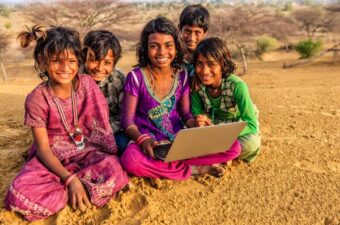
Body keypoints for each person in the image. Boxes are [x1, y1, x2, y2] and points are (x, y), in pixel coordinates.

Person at [5, 25, 128, 221]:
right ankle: (75, 186)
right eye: (56, 61)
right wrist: (70, 179)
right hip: (53, 155)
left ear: (78, 62)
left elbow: (100, 129)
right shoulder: (37, 99)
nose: (65, 68)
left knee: (114, 169)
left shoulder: (87, 84)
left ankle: (74, 185)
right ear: (42, 62)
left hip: (86, 150)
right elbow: (44, 150)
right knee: (18, 194)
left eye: (71, 61)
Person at [119, 17, 240, 180]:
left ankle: (172, 167)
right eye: (154, 46)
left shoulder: (182, 76)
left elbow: (185, 115)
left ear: (176, 47)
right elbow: (127, 121)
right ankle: (194, 169)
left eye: (168, 45)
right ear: (146, 49)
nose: (162, 52)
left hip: (178, 141)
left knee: (233, 146)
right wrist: (142, 140)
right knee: (130, 161)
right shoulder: (135, 77)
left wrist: (196, 124)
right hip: (150, 143)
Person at [191, 37, 261, 163]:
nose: (205, 71)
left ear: (222, 64)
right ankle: (225, 156)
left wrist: (223, 134)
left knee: (250, 144)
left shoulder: (237, 86)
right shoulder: (196, 86)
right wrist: (199, 120)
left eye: (212, 64)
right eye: (199, 64)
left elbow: (251, 124)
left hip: (235, 127)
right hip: (212, 128)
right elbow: (197, 114)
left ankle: (218, 155)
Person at [83, 30, 129, 154]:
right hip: (80, 131)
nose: (99, 68)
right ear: (84, 56)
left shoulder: (119, 79)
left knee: (122, 144)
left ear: (114, 63)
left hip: (110, 130)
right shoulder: (75, 78)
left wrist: (102, 132)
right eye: (95, 60)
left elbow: (123, 116)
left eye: (107, 63)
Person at [178, 4, 210, 77]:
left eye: (197, 32)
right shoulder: (172, 58)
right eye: (187, 31)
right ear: (180, 29)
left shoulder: (211, 59)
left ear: (205, 33)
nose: (192, 38)